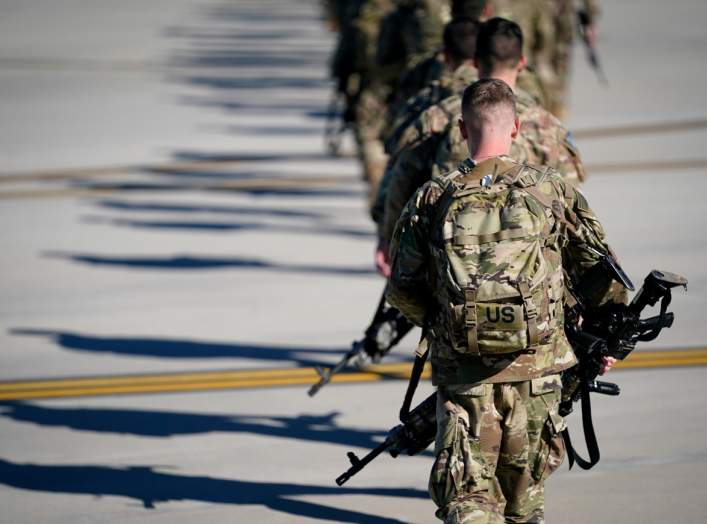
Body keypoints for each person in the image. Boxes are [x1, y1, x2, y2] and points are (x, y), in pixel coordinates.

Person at [386, 78, 624, 523]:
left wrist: (444, 323)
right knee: (523, 506)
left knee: (469, 502)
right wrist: (601, 339)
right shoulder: (550, 191)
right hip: (538, 372)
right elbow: (602, 274)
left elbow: (402, 288)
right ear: (515, 127)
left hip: (464, 376)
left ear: (461, 128)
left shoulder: (433, 197)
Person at [375, 17, 584, 276]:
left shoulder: (437, 117)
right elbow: (570, 205)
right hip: (528, 277)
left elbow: (400, 182)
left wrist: (388, 240)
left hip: (452, 274)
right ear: (521, 63)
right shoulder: (548, 127)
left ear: (475, 62)